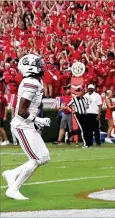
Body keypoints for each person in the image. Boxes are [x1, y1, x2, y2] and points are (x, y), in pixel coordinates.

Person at [2, 54, 51, 200]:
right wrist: (39, 120)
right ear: (30, 67)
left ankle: (12, 173)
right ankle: (13, 189)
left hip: (28, 125)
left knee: (45, 157)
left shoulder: (35, 81)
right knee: (35, 160)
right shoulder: (32, 82)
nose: (42, 66)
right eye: (38, 63)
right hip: (22, 126)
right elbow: (21, 111)